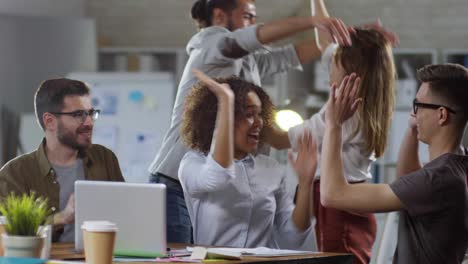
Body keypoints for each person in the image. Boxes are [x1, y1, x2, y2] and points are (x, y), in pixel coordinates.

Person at [148, 0, 352, 243]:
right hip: (176, 182)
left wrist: (350, 38)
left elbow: (290, 56)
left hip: (221, 180)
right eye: (248, 16)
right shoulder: (211, 45)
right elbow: (243, 40)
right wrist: (311, 21)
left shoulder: (247, 62)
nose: (254, 24)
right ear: (220, 16)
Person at [266, 22, 396, 264]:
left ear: (351, 73)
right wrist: (323, 19)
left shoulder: (343, 117)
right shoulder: (367, 102)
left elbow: (277, 139)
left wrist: (242, 107)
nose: (328, 70)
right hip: (351, 204)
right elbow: (327, 40)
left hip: (340, 212)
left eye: (334, 64)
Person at [319, 63, 468, 263]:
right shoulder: (458, 164)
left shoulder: (438, 179)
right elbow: (408, 179)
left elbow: (333, 195)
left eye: (418, 106)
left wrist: (333, 125)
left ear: (441, 115)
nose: (414, 113)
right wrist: (413, 130)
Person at [178, 69, 316, 248]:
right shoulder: (193, 163)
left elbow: (291, 239)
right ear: (219, 118)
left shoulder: (271, 168)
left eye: (260, 115)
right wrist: (226, 102)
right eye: (249, 115)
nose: (259, 123)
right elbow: (217, 177)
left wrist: (306, 184)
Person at [0, 78, 124, 242]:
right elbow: (10, 235)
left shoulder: (105, 158)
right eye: (78, 114)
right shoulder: (14, 174)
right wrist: (61, 218)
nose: (89, 122)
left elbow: (124, 214)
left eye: (91, 113)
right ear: (50, 121)